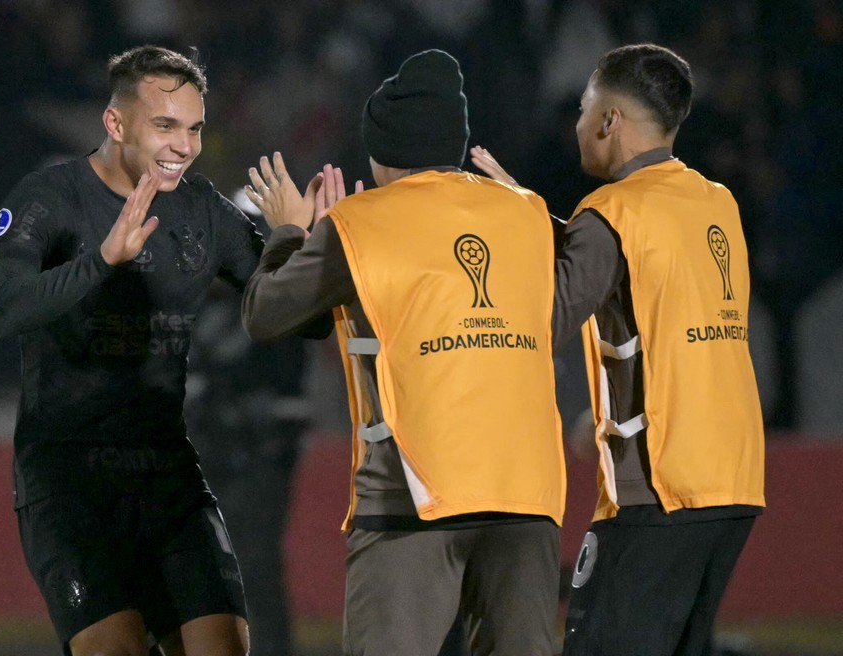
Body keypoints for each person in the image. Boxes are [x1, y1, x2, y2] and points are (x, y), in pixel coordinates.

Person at [240, 49, 566, 656]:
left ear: (379, 151)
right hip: (527, 497)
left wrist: (292, 230)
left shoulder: (360, 224)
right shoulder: (527, 212)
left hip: (411, 499)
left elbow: (265, 314)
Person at [474, 43, 766, 656]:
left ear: (608, 120)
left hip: (655, 491)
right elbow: (641, 277)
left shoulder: (610, 212)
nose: (577, 123)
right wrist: (540, 220)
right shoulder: (716, 202)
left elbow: (538, 322)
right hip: (733, 483)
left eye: (584, 107)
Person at [0, 45, 259, 656]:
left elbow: (292, 311)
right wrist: (102, 260)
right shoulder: (48, 198)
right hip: (69, 483)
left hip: (169, 479)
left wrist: (298, 245)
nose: (184, 144)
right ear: (115, 124)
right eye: (165, 125)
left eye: (194, 128)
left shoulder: (203, 209)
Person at [184, 213, 311, 656]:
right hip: (204, 458)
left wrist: (251, 422)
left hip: (257, 461)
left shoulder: (276, 312)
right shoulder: (196, 312)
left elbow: (288, 402)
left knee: (253, 568)